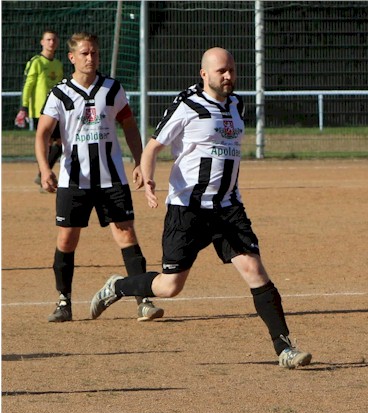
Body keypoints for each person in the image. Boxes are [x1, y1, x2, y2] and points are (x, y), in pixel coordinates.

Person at [89, 47, 312, 369]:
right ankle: (118, 286)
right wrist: (148, 179)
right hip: (188, 210)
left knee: (255, 270)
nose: (229, 76)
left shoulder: (237, 104)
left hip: (228, 208)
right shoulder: (187, 104)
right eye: (221, 71)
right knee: (170, 286)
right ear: (204, 74)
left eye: (232, 69)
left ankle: (285, 349)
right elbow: (152, 147)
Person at [35, 31, 165, 323]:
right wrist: (45, 168)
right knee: (67, 239)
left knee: (127, 234)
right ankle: (64, 301)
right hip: (74, 180)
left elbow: (129, 125)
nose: (90, 58)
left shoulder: (112, 88)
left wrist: (139, 162)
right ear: (72, 57)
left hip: (112, 178)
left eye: (94, 52)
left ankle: (143, 300)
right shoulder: (59, 93)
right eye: (84, 53)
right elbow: (42, 133)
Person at [17, 29, 65, 189]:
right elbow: (28, 84)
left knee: (61, 142)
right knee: (47, 141)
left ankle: (43, 174)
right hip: (40, 110)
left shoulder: (58, 64)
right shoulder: (36, 62)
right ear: (42, 42)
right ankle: (45, 176)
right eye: (48, 39)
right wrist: (24, 106)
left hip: (57, 109)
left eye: (54, 40)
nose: (51, 42)